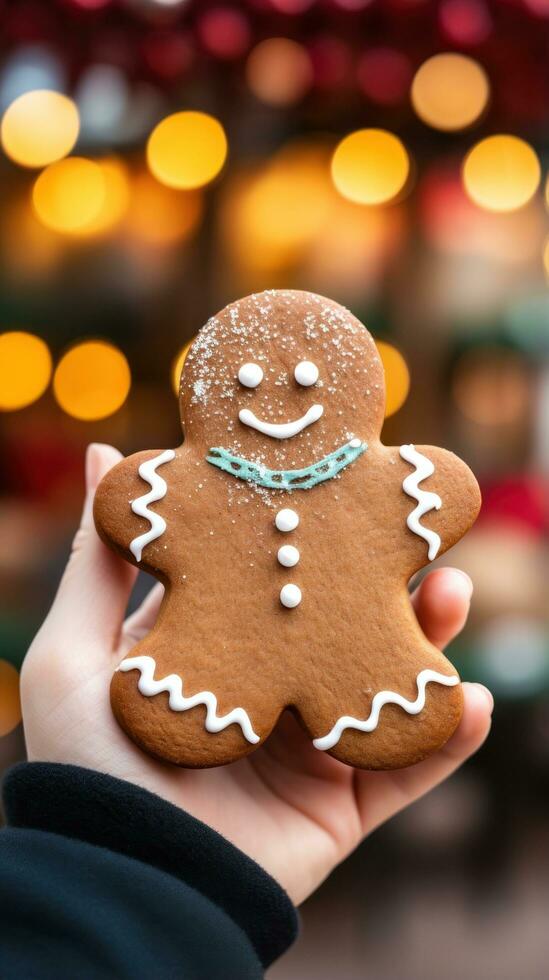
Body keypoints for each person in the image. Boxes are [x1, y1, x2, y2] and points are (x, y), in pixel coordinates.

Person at [0, 444, 493, 979]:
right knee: (177, 694)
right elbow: (139, 503)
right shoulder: (183, 484)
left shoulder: (392, 478)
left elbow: (437, 491)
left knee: (404, 696)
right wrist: (131, 838)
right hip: (205, 675)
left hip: (365, 668)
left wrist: (156, 866)